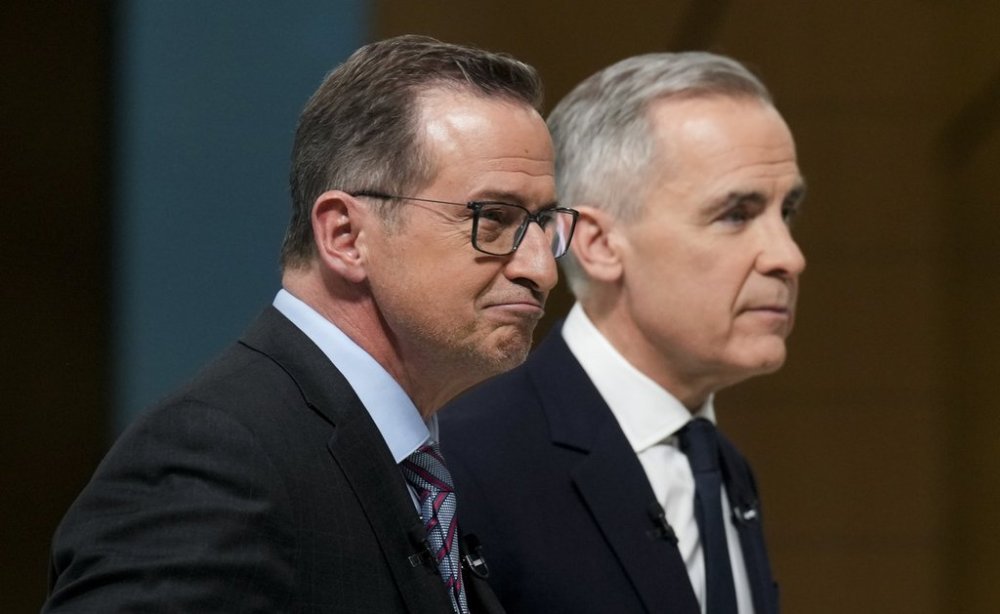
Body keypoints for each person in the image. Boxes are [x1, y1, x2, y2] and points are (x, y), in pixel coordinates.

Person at [43, 34, 578, 613]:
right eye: (493, 218)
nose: (541, 269)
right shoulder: (218, 457)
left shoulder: (416, 461)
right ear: (346, 237)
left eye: (545, 221)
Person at [439, 51, 806, 614]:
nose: (788, 257)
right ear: (598, 244)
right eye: (735, 214)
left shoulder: (722, 466)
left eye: (787, 214)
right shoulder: (467, 465)